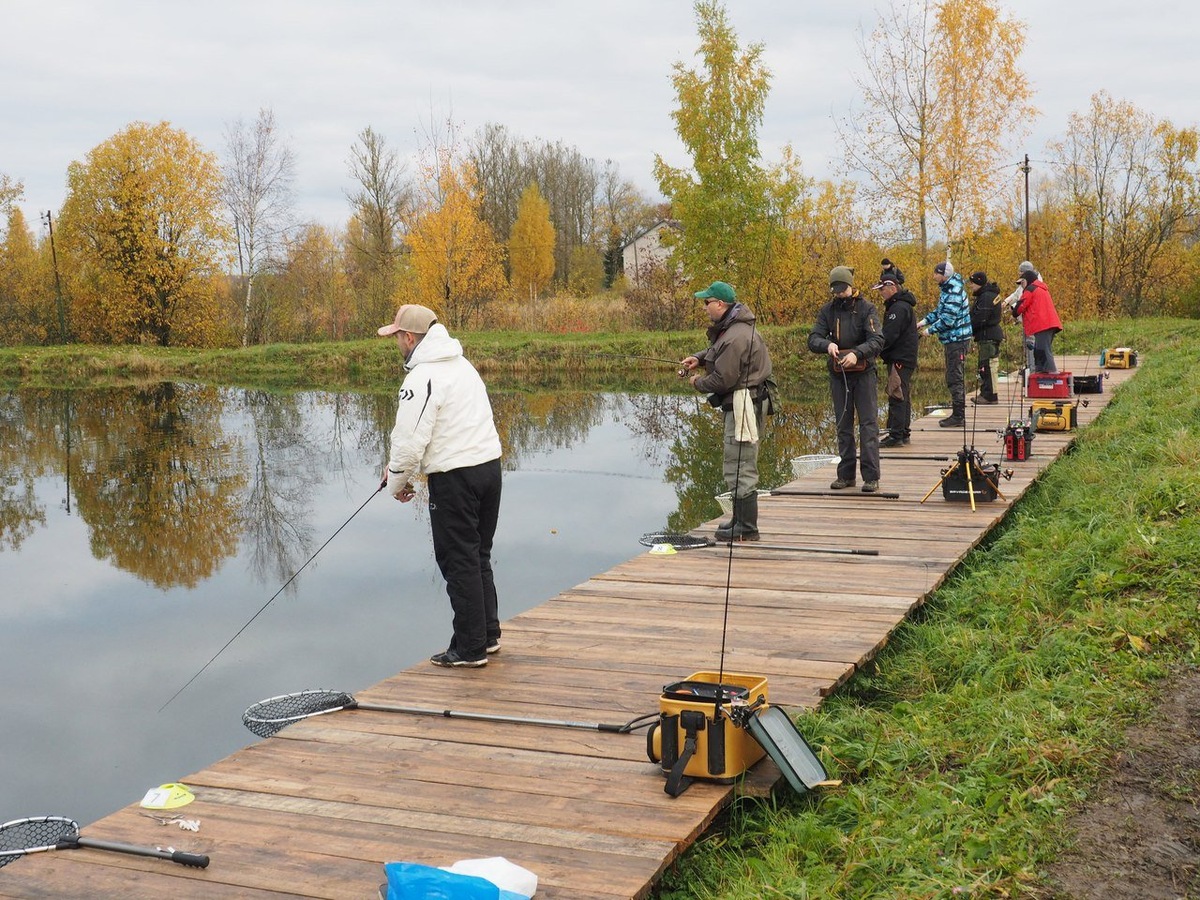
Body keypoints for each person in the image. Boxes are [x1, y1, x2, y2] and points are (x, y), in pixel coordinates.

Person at [379, 304, 503, 669]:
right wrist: (398, 470)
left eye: (397, 337)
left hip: (456, 478)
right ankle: (487, 636)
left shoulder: (421, 378)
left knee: (457, 559)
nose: (396, 344)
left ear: (410, 337)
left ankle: (469, 649)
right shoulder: (462, 365)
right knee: (478, 554)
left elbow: (409, 441)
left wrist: (397, 482)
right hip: (489, 470)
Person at [680, 281, 773, 541]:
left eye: (707, 303)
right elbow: (717, 351)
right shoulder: (734, 327)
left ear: (720, 304)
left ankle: (747, 528)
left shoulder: (735, 336)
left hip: (744, 405)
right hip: (745, 401)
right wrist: (699, 358)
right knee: (737, 462)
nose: (705, 308)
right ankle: (739, 519)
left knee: (739, 464)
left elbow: (722, 379)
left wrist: (697, 382)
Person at [808, 266, 885, 492]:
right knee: (843, 425)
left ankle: (871, 477)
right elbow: (813, 338)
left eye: (842, 289)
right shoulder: (827, 311)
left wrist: (856, 353)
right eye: (836, 290)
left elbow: (877, 340)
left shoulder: (867, 309)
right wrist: (827, 345)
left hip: (864, 374)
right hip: (838, 375)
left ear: (851, 285)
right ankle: (846, 475)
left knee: (868, 425)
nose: (839, 293)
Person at [918, 261, 972, 428]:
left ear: (943, 275)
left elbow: (948, 320)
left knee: (955, 377)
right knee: (952, 376)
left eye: (936, 273)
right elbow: (939, 312)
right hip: (952, 340)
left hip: (958, 340)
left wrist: (929, 331)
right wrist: (923, 322)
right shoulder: (947, 290)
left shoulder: (954, 291)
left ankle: (959, 416)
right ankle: (957, 414)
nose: (934, 276)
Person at [875, 273, 919, 447]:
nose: (881, 293)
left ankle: (896, 435)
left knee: (896, 394)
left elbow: (890, 335)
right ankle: (903, 431)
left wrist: (874, 349)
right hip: (905, 357)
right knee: (903, 394)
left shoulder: (898, 308)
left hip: (900, 357)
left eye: (882, 289)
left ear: (892, 287)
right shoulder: (901, 305)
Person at [1012, 264, 1063, 373]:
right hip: (1049, 324)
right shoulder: (1041, 288)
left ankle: (1053, 376)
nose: (1021, 286)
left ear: (1027, 280)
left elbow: (1019, 307)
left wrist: (1014, 311)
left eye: (1022, 283)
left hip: (1043, 325)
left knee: (1044, 351)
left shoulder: (1030, 289)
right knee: (1039, 350)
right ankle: (1040, 373)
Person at [968, 271, 1004, 404]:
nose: (970, 286)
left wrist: (967, 329)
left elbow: (980, 318)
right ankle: (986, 393)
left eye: (972, 283)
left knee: (987, 366)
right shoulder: (986, 295)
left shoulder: (986, 297)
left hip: (988, 335)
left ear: (978, 283)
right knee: (985, 366)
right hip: (987, 335)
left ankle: (989, 395)